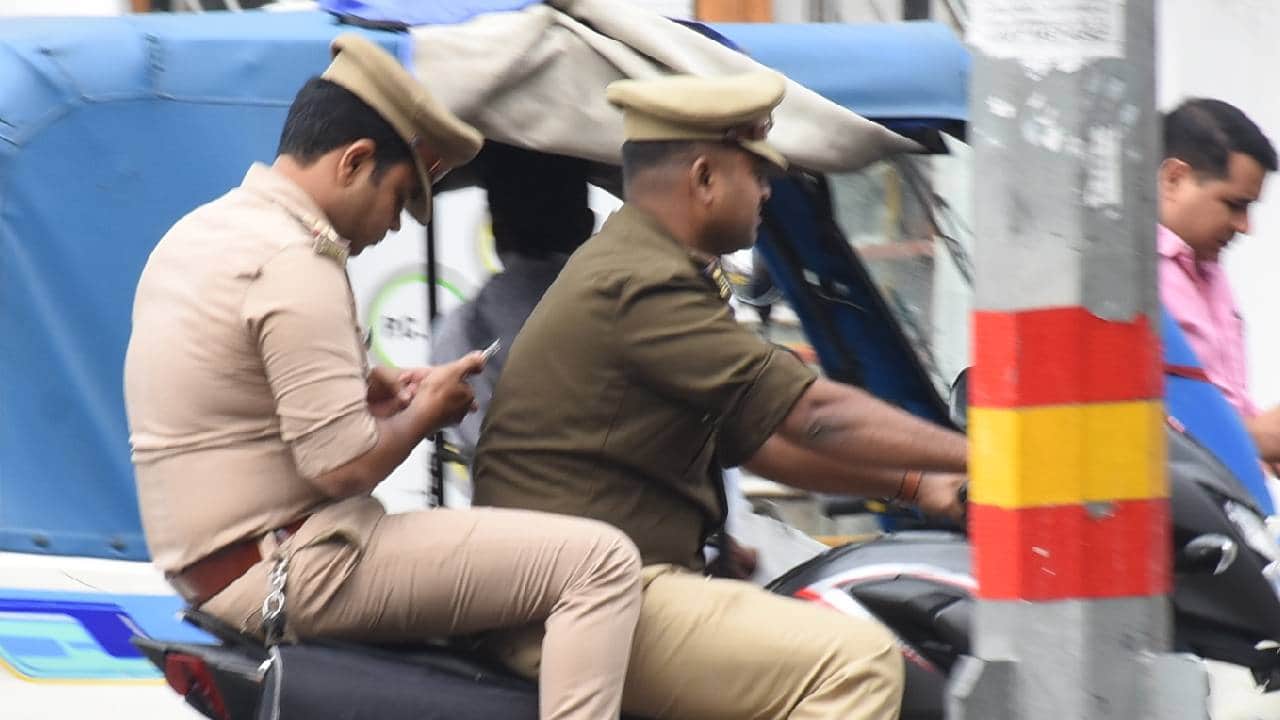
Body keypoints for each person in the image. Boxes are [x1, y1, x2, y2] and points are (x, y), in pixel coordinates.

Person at [123, 34, 642, 720]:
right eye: (399, 197)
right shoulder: (295, 259)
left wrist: (385, 385)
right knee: (599, 561)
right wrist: (430, 411)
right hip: (288, 568)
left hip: (227, 566)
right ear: (355, 160)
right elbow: (340, 467)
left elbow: (253, 381)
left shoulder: (207, 231)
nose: (395, 226)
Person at [473, 70, 969, 720]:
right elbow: (813, 414)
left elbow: (759, 442)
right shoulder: (640, 283)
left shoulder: (650, 268)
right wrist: (982, 454)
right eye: (757, 172)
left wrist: (918, 484)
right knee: (858, 663)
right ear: (705, 178)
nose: (767, 190)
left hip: (602, 587)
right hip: (585, 603)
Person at [430, 142, 595, 458]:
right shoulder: (639, 316)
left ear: (496, 231)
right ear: (587, 225)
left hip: (499, 501)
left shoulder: (458, 332)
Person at [1158, 99, 1280, 464]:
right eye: (1233, 205)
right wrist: (1252, 437)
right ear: (1174, 178)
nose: (1245, 226)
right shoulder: (1126, 279)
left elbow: (1222, 399)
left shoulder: (1208, 271)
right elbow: (1132, 422)